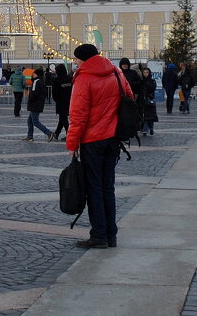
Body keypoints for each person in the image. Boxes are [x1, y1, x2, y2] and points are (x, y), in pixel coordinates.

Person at [66, 43, 133, 249]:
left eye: (77, 59)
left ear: (84, 59)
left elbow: (78, 115)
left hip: (92, 140)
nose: (75, 62)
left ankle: (99, 235)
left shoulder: (84, 77)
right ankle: (111, 234)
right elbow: (129, 98)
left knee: (94, 187)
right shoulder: (116, 73)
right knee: (107, 187)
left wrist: (72, 143)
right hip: (113, 138)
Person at [24, 67, 54, 141]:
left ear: (36, 74)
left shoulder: (36, 82)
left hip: (35, 104)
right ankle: (30, 136)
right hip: (39, 103)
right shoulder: (42, 81)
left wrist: (30, 100)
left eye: (33, 73)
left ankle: (48, 132)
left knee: (35, 122)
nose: (32, 75)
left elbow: (33, 93)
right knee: (29, 121)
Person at [50, 63, 72, 141]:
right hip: (69, 101)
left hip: (61, 102)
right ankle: (57, 133)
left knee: (63, 118)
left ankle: (69, 134)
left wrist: (57, 100)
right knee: (62, 118)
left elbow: (54, 93)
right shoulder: (70, 78)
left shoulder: (57, 80)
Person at [139, 65, 159, 135]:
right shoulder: (141, 81)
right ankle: (145, 130)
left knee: (151, 115)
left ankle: (151, 128)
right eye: (144, 72)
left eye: (147, 72)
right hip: (142, 100)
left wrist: (147, 82)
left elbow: (152, 88)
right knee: (144, 116)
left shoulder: (152, 81)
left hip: (150, 99)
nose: (145, 74)